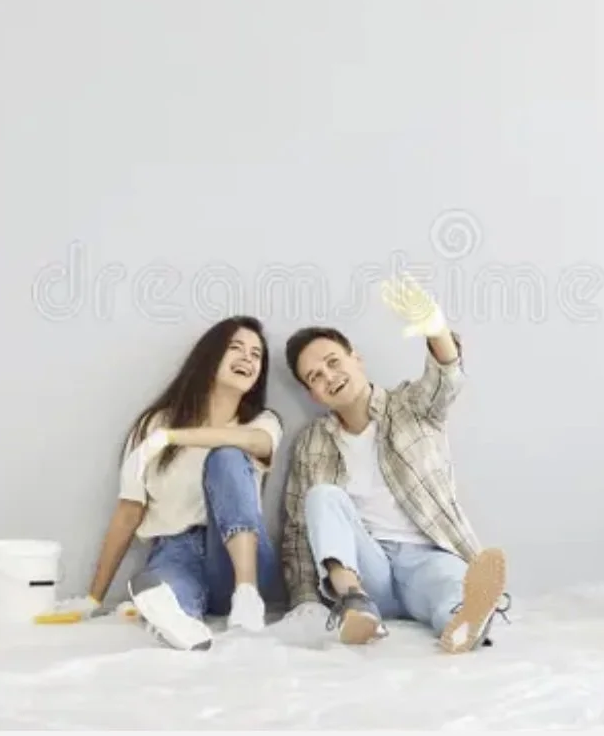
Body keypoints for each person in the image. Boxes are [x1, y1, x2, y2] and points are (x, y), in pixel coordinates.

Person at [279, 273, 510, 654]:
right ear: (313, 394)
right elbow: (298, 532)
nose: (329, 377)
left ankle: (463, 623)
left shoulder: (411, 407)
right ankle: (356, 607)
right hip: (367, 570)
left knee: (449, 586)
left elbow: (446, 381)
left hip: (426, 554)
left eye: (334, 363)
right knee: (321, 496)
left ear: (357, 358)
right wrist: (305, 601)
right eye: (315, 377)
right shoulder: (311, 443)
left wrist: (435, 329)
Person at [43, 315, 285, 650]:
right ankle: (178, 618)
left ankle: (246, 596)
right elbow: (128, 514)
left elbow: (259, 443)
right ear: (210, 356)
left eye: (256, 354)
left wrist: (171, 438)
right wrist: (93, 597)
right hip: (175, 549)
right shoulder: (153, 425)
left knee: (226, 455)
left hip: (238, 555)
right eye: (236, 348)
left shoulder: (261, 422)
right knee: (163, 589)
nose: (247, 358)